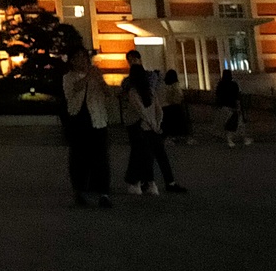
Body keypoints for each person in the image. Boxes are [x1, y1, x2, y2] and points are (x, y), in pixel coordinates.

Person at [121, 50, 185, 194]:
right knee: (152, 152)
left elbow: (141, 111)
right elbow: (156, 110)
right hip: (146, 125)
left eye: (133, 59)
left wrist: (153, 124)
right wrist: (156, 124)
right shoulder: (149, 87)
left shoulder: (132, 88)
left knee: (143, 153)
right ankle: (156, 183)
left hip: (138, 124)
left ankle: (141, 182)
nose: (132, 62)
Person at [62, 46, 114, 207]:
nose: (82, 61)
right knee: (79, 159)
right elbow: (74, 90)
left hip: (98, 120)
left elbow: (108, 93)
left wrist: (100, 80)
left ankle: (103, 193)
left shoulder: (95, 75)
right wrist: (88, 77)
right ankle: (80, 192)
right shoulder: (68, 77)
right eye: (77, 58)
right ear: (71, 61)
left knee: (101, 158)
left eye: (84, 57)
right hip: (79, 121)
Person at [215, 67, 247, 147]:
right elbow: (238, 96)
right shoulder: (234, 84)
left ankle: (229, 138)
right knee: (236, 124)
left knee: (226, 123)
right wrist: (239, 107)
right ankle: (239, 139)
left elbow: (217, 95)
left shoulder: (220, 84)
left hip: (223, 107)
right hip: (233, 107)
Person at [160, 69, 191, 144]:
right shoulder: (175, 85)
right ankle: (178, 136)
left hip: (165, 107)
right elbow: (179, 96)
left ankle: (169, 136)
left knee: (168, 124)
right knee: (177, 123)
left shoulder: (164, 86)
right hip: (175, 107)